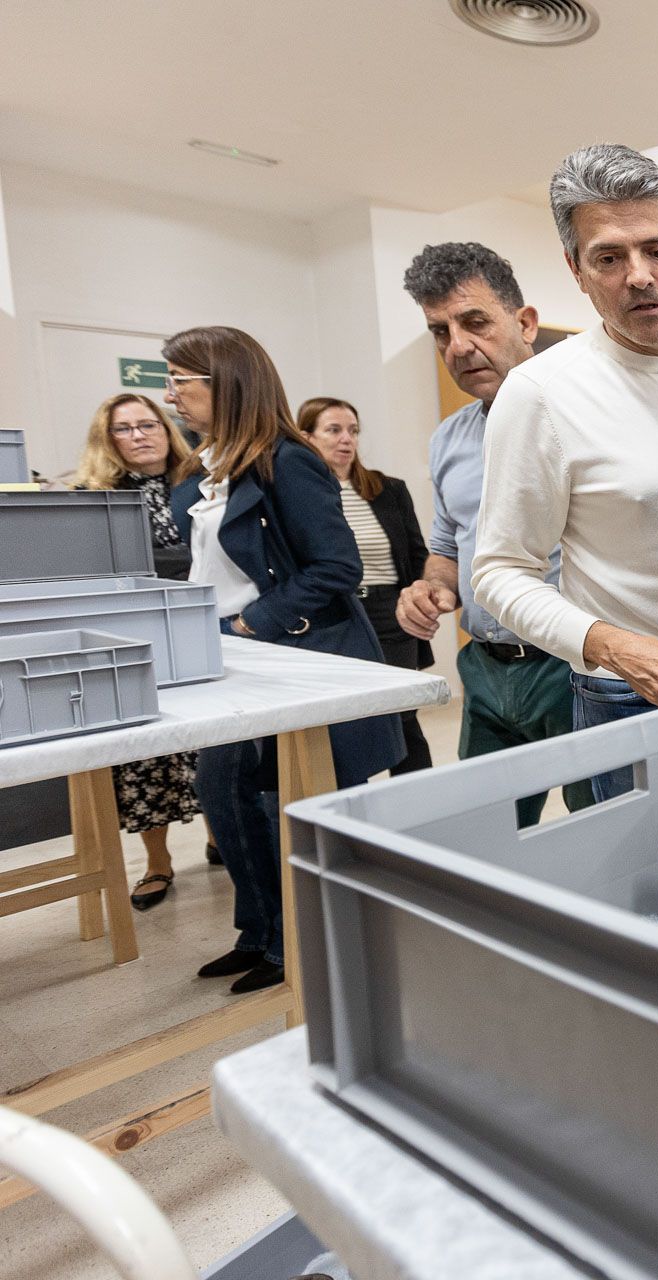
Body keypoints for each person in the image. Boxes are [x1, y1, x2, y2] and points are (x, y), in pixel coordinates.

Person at [472, 145, 658, 804]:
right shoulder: (542, 393)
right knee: (654, 897)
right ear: (576, 271)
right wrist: (611, 646)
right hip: (630, 695)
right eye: (609, 257)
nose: (639, 275)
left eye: (657, 248)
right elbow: (497, 571)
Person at [165, 325, 404, 994]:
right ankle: (260, 931)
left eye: (180, 382)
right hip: (228, 657)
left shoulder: (285, 460)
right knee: (224, 793)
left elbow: (337, 565)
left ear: (223, 383)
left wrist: (250, 621)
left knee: (282, 803)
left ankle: (299, 940)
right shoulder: (205, 470)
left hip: (289, 653)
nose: (171, 396)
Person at [396, 241, 590, 826]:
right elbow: (447, 545)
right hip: (484, 667)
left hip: (575, 666)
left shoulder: (583, 416)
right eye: (440, 331)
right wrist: (432, 588)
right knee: (485, 831)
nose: (458, 346)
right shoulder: (449, 439)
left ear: (524, 322)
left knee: (599, 826)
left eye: (475, 321)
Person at [72, 393, 203, 910]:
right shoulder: (92, 496)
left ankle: (221, 838)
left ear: (167, 429)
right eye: (123, 429)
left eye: (148, 424)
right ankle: (157, 863)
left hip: (200, 629)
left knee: (216, 743)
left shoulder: (200, 482)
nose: (139, 435)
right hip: (131, 638)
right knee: (145, 754)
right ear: (107, 440)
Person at [296, 396, 433, 774]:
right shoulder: (300, 497)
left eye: (353, 431)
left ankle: (416, 811)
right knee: (349, 722)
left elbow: (418, 553)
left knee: (401, 717)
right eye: (334, 430)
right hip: (336, 617)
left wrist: (423, 594)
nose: (346, 440)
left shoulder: (388, 489)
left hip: (390, 612)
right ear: (306, 437)